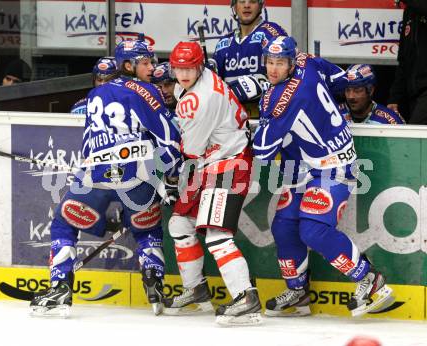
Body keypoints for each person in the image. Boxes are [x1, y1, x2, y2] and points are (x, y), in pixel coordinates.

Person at [29, 39, 181, 317]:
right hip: (136, 177)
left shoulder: (95, 94)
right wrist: (170, 177)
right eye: (146, 62)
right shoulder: (148, 91)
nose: (152, 67)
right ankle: (154, 283)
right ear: (128, 65)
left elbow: (89, 143)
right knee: (147, 229)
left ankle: (60, 287)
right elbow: (170, 138)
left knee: (63, 223)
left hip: (95, 176)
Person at [252, 36, 394, 318]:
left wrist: (260, 120)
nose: (273, 69)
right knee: (284, 226)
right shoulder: (307, 61)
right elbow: (339, 78)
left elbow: (263, 152)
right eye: (270, 62)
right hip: (306, 166)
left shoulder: (281, 99)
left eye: (280, 63)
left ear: (291, 63)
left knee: (313, 230)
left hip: (333, 166)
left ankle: (370, 280)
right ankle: (299, 291)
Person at [164, 41, 261, 326]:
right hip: (213, 160)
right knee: (179, 224)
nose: (183, 74)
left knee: (217, 235)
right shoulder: (199, 81)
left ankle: (246, 297)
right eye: (178, 68)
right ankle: (196, 289)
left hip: (228, 163)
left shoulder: (200, 100)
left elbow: (191, 150)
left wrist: (172, 176)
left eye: (189, 67)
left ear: (200, 66)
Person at [212, 0, 288, 117]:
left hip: (267, 119)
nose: (247, 5)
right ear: (234, 6)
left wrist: (261, 87)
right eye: (242, 1)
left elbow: (290, 77)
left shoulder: (271, 34)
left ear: (261, 5)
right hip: (231, 123)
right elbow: (215, 88)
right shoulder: (223, 44)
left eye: (252, 1)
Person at [387, 0, 427, 124]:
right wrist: (395, 98)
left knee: (413, 139)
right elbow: (403, 59)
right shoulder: (409, 11)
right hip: (414, 93)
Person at [340, 64, 405, 124]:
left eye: (357, 90)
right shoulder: (335, 113)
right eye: (347, 90)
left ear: (370, 90)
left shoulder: (389, 120)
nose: (350, 96)